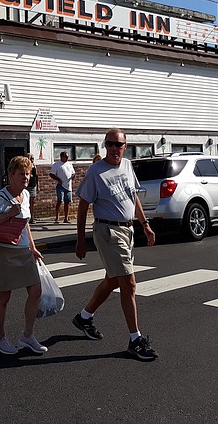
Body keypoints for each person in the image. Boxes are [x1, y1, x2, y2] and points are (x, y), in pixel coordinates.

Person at [73, 128, 158, 361]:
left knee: (113, 279)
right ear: (104, 145)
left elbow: (133, 197)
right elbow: (82, 207)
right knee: (128, 283)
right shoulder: (95, 172)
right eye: (109, 144)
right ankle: (135, 339)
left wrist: (145, 224)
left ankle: (84, 317)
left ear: (125, 147)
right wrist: (81, 239)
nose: (113, 149)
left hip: (127, 229)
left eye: (118, 145)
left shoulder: (128, 166)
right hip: (107, 230)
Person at [0, 155, 46, 355]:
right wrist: (8, 214)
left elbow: (25, 224)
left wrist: (33, 247)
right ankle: (0, 339)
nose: (26, 177)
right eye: (21, 174)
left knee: (35, 291)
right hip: (5, 251)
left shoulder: (25, 195)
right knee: (4, 297)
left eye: (28, 173)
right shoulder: (1, 197)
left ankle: (27, 336)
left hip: (24, 251)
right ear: (11, 175)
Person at [49, 151, 75, 223]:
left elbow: (73, 173)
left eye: (67, 157)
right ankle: (57, 217)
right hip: (60, 185)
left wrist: (73, 176)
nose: (67, 158)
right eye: (65, 156)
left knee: (67, 202)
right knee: (60, 201)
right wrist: (58, 180)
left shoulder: (69, 164)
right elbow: (51, 174)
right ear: (61, 157)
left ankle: (66, 218)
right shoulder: (57, 165)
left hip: (68, 185)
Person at [26, 154, 39, 224]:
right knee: (26, 202)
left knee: (32, 202)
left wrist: (38, 185)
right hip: (27, 186)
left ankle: (32, 217)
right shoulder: (26, 166)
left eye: (33, 158)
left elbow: (36, 176)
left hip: (33, 185)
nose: (32, 160)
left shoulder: (34, 166)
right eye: (31, 158)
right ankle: (26, 217)